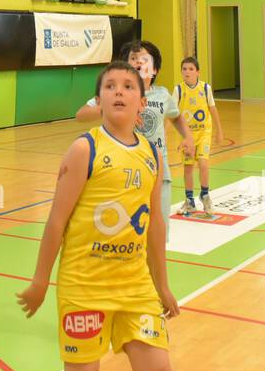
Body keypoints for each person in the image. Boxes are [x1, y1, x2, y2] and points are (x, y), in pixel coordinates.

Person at [17, 60, 178, 371]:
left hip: (135, 287)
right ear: (99, 101)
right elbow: (56, 222)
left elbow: (155, 224)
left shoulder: (153, 155)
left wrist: (163, 285)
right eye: (110, 86)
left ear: (142, 103)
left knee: (159, 367)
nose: (119, 91)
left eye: (128, 86)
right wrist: (40, 280)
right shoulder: (83, 149)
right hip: (84, 287)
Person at [75, 40, 193, 244]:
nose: (138, 62)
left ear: (154, 69)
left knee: (157, 237)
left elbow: (176, 117)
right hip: (125, 174)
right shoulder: (116, 93)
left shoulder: (163, 95)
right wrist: (109, 108)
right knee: (125, 236)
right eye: (133, 59)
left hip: (158, 174)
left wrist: (188, 137)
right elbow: (81, 115)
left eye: (144, 59)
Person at [174, 57, 224, 217]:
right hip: (187, 136)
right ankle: (189, 201)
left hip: (204, 133)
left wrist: (219, 130)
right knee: (188, 168)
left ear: (197, 72)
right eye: (184, 69)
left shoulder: (205, 88)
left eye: (190, 69)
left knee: (203, 164)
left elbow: (213, 109)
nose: (187, 72)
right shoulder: (178, 90)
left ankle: (205, 194)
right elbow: (172, 114)